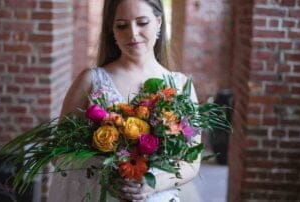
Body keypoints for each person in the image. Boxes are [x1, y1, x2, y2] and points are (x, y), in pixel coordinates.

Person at [47, 0, 201, 201]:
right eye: (122, 25)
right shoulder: (91, 81)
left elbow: (192, 161)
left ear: (159, 22)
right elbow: (58, 152)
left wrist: (153, 184)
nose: (133, 33)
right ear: (111, 29)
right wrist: (104, 169)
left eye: (142, 22)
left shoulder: (181, 86)